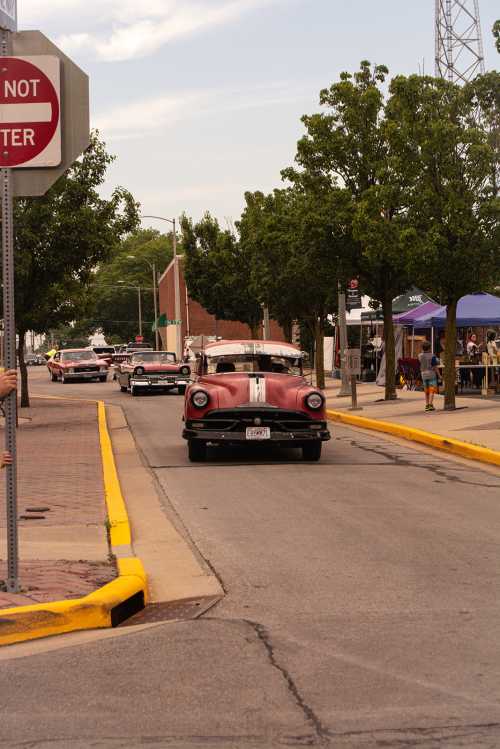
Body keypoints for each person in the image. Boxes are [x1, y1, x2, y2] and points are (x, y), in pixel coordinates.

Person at [418, 341, 439, 412]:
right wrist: (439, 375)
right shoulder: (432, 356)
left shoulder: (420, 355)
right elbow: (435, 366)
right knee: (431, 390)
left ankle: (427, 405)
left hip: (423, 374)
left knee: (426, 390)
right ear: (429, 348)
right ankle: (430, 404)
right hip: (431, 374)